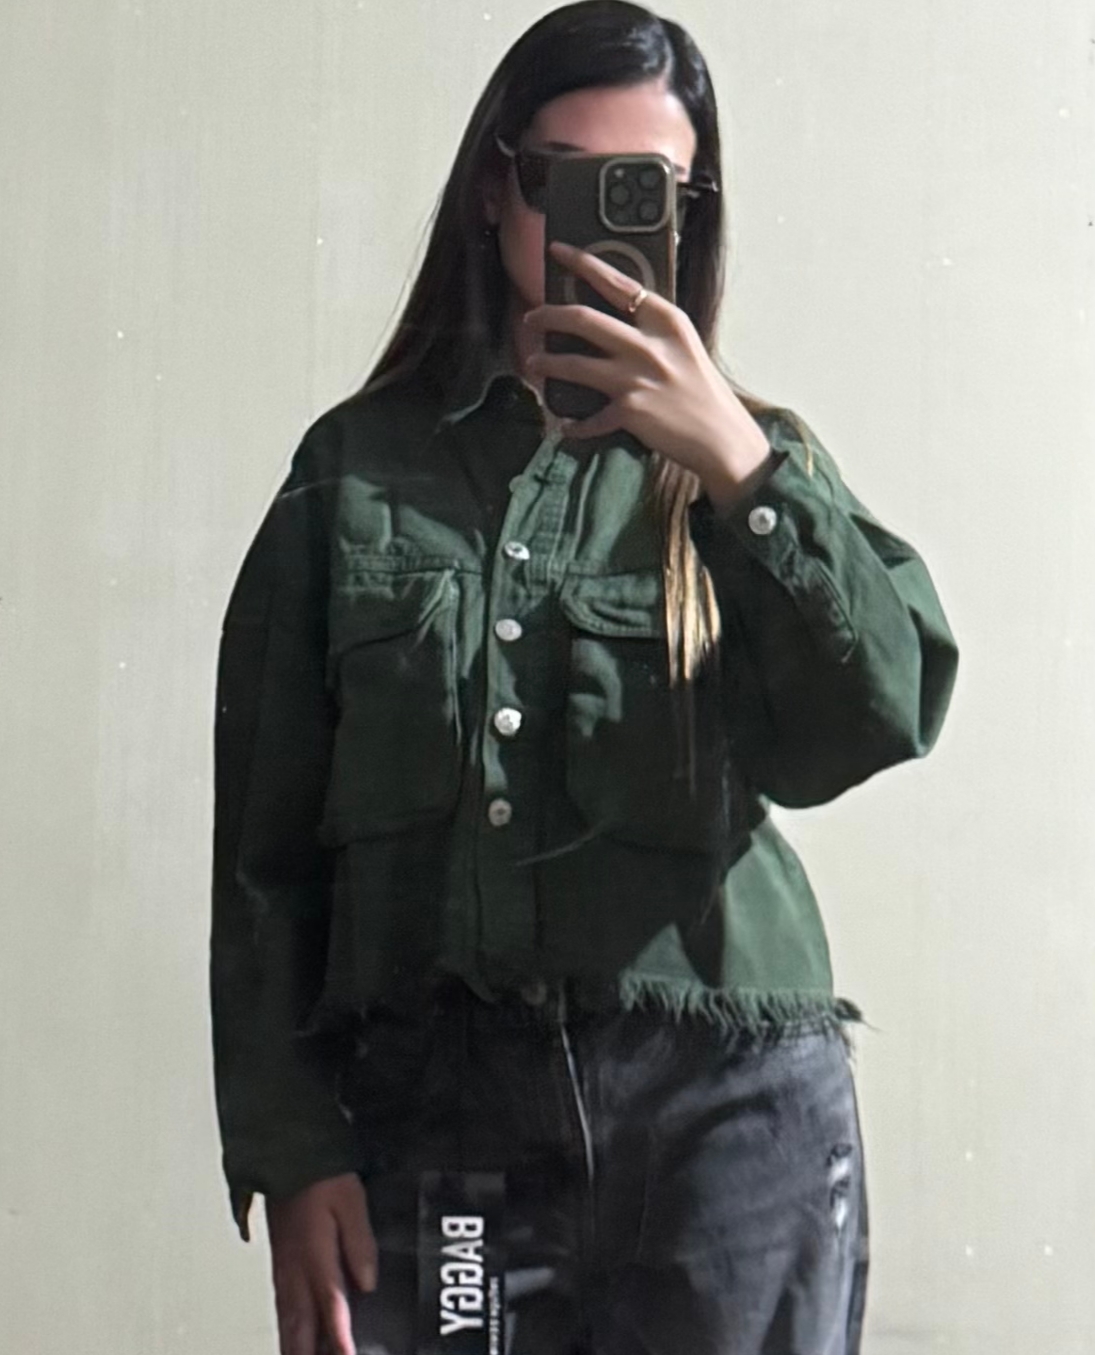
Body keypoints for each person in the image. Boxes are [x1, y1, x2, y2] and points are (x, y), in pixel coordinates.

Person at [210, 4, 959, 1353]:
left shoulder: (752, 464)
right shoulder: (354, 474)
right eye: (566, 179)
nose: (598, 226)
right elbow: (265, 858)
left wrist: (739, 469)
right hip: (442, 1123)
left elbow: (878, 718)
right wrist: (293, 1146)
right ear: (494, 187)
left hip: (725, 1127)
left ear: (690, 210)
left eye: (647, 190)